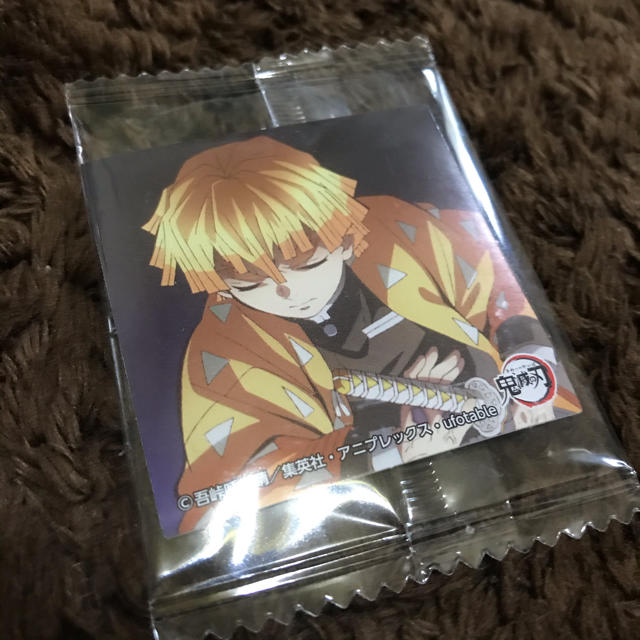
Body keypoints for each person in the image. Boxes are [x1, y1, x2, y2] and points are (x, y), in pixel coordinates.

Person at [142, 136, 580, 533]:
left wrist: (529, 365)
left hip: (526, 440)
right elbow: (219, 496)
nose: (287, 293)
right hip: (391, 505)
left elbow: (500, 278)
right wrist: (387, 442)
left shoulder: (398, 230)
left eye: (309, 263)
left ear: (345, 239)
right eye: (248, 283)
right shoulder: (223, 348)